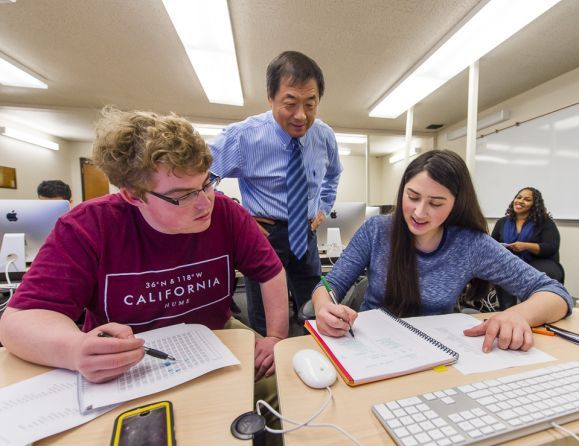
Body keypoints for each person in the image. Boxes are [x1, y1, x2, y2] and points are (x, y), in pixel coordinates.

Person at [0, 106, 289, 385]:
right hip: (129, 357)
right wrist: (74, 349)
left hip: (215, 336)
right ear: (134, 196)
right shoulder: (87, 226)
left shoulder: (227, 213)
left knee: (281, 383)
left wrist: (275, 336)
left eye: (207, 184)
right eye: (182, 195)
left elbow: (271, 272)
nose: (205, 203)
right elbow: (17, 322)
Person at [313, 150, 572, 353]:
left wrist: (516, 314)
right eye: (412, 197)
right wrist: (324, 306)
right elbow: (329, 284)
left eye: (435, 203)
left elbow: (557, 294)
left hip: (437, 350)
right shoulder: (377, 230)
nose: (419, 212)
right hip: (371, 346)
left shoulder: (471, 244)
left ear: (456, 205)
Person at [210, 51, 342, 336]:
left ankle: (319, 358)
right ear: (270, 98)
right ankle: (270, 373)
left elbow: (333, 175)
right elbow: (200, 179)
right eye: (290, 103)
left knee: (316, 307)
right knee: (268, 319)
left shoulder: (324, 136)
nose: (301, 115)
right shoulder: (242, 136)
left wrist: (322, 206)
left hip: (305, 233)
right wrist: (238, 218)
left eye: (311, 104)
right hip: (264, 235)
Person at [491, 187, 565, 310]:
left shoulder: (545, 223)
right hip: (510, 262)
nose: (520, 201)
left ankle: (536, 310)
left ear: (534, 204)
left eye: (527, 199)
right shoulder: (502, 222)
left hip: (539, 263)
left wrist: (526, 246)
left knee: (536, 272)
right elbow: (492, 244)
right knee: (504, 269)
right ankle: (507, 309)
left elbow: (551, 247)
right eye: (518, 197)